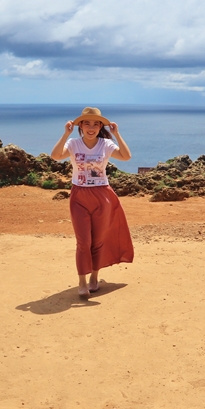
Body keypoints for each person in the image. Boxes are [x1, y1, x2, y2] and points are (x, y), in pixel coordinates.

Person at [51, 107, 135, 298]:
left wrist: (117, 134)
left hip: (102, 195)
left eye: (95, 124)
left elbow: (126, 156)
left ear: (100, 127)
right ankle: (82, 282)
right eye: (87, 123)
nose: (91, 127)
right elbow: (56, 156)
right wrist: (65, 133)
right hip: (79, 196)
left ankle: (94, 278)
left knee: (97, 242)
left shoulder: (106, 144)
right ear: (80, 125)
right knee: (83, 242)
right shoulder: (73, 144)